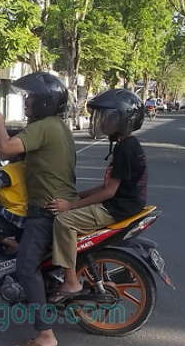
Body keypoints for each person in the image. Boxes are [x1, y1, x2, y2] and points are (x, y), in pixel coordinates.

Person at [0, 72, 76, 346]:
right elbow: (17, 154)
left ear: (45, 102)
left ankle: (45, 335)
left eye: (31, 97)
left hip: (46, 211)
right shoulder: (54, 126)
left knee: (26, 267)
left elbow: (5, 147)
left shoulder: (45, 126)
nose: (27, 101)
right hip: (53, 203)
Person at [46, 89, 148, 301]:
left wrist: (69, 207)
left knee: (64, 222)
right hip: (123, 203)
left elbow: (109, 192)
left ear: (123, 120)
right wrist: (78, 197)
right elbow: (108, 186)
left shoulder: (124, 150)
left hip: (116, 208)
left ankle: (71, 281)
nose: (101, 121)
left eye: (107, 117)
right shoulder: (127, 144)